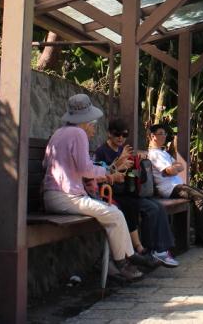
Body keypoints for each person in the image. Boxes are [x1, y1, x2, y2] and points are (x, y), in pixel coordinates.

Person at [42, 94, 154, 281]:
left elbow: (46, 164)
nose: (94, 127)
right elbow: (85, 168)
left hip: (52, 196)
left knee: (112, 211)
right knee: (114, 213)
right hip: (66, 196)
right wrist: (107, 173)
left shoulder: (58, 133)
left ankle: (126, 258)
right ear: (85, 121)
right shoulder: (78, 134)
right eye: (93, 122)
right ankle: (124, 262)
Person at [94, 118, 179, 268]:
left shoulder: (123, 150)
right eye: (117, 134)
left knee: (157, 206)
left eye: (124, 134)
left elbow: (129, 175)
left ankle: (161, 249)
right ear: (109, 134)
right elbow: (101, 177)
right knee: (149, 208)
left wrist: (135, 169)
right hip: (113, 194)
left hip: (128, 191)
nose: (121, 138)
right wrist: (119, 164)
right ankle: (150, 249)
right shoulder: (102, 151)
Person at [146, 124, 203, 247]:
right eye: (161, 134)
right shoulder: (154, 154)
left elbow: (178, 166)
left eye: (165, 134)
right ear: (152, 136)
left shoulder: (163, 152)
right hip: (170, 188)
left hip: (177, 184)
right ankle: (202, 237)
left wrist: (174, 167)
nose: (164, 136)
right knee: (201, 199)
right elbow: (169, 171)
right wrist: (174, 168)